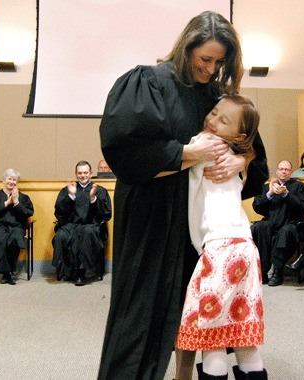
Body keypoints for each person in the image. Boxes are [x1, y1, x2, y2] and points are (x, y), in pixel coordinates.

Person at [98, 11, 268, 379]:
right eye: (205, 59)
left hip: (198, 225)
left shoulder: (218, 98)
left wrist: (241, 158)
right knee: (138, 311)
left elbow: (257, 161)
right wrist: (191, 154)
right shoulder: (147, 82)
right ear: (186, 46)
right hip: (151, 216)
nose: (210, 70)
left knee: (192, 312)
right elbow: (125, 155)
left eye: (219, 62)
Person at [176, 95, 267, 379]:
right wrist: (243, 156)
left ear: (239, 136)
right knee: (243, 335)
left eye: (223, 120)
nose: (212, 121)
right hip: (245, 247)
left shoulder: (207, 143)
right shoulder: (232, 153)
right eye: (213, 113)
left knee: (211, 337)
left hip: (219, 249)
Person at [251, 160, 304, 286]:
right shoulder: (268, 187)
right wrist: (270, 194)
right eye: (281, 169)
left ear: (291, 172)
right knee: (259, 227)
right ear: (277, 171)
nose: (284, 171)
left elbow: (302, 207)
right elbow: (256, 206)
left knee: (285, 232)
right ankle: (263, 270)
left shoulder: (299, 186)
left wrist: (286, 194)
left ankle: (277, 272)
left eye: (287, 169)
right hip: (271, 222)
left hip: (291, 224)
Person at [52, 161, 111, 286]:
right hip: (71, 225)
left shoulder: (99, 190)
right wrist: (71, 196)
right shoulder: (67, 190)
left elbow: (106, 214)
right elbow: (59, 213)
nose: (83, 175)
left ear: (90, 173)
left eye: (85, 172)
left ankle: (80, 271)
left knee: (86, 233)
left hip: (91, 226)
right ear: (76, 173)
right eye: (80, 173)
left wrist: (93, 199)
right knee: (61, 236)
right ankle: (67, 269)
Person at [0, 168, 34, 285]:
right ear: (3, 180)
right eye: (9, 179)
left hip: (16, 227)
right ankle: (9, 272)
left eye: (14, 180)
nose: (12, 182)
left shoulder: (24, 197)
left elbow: (29, 212)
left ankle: (7, 273)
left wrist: (16, 202)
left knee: (14, 239)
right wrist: (6, 203)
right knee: (1, 238)